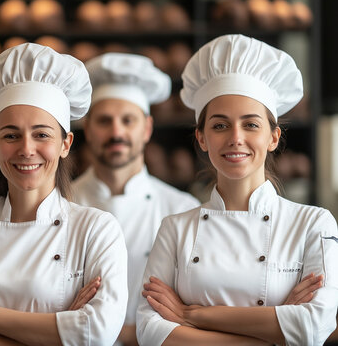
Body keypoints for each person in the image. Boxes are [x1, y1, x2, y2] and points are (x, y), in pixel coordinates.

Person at [0, 42, 128, 345]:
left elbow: (97, 332)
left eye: (42, 134)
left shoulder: (96, 229)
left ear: (65, 144)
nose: (27, 149)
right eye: (11, 136)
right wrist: (56, 331)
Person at [136, 34, 338, 345]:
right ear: (202, 138)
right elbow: (150, 331)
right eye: (219, 125)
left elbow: (314, 326)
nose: (235, 138)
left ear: (273, 137)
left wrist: (193, 316)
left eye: (251, 124)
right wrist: (272, 332)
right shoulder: (175, 228)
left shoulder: (313, 224)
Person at [73, 53, 200, 345]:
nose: (117, 132)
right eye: (105, 121)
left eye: (127, 120)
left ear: (146, 129)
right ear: (88, 128)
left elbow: (193, 307)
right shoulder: (61, 205)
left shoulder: (182, 209)